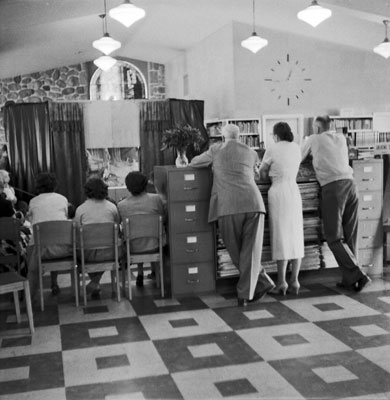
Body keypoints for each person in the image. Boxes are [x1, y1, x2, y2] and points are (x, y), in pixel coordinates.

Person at [190, 123, 275, 307]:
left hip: (228, 206)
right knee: (251, 250)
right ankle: (260, 282)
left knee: (235, 250)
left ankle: (245, 293)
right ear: (240, 135)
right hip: (253, 203)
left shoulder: (216, 150)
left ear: (222, 134)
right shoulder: (251, 152)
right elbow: (258, 175)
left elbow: (195, 162)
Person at [301, 115, 371, 291]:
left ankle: (358, 274)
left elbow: (298, 158)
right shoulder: (341, 138)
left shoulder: (313, 139)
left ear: (316, 128)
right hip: (351, 184)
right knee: (351, 235)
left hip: (333, 188)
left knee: (333, 237)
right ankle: (350, 279)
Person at [259, 122, 304, 295]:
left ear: (276, 135)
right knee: (296, 234)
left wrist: (264, 174)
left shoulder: (273, 148)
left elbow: (262, 173)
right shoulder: (296, 147)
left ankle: (282, 282)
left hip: (278, 192)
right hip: (294, 192)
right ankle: (295, 281)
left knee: (281, 236)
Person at [117, 171, 166, 287]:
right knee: (149, 234)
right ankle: (156, 273)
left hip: (132, 247)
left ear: (128, 187)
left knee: (134, 236)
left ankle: (140, 273)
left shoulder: (122, 205)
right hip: (155, 244)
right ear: (145, 184)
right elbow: (162, 217)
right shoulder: (156, 199)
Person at [74, 177, 120, 297]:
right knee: (113, 246)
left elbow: (77, 234)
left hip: (87, 254)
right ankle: (96, 282)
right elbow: (117, 228)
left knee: (83, 249)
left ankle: (95, 282)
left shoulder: (80, 210)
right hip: (110, 252)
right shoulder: (112, 207)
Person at [26, 172, 69, 298]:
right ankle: (54, 283)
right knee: (53, 238)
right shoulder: (63, 199)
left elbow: (33, 223)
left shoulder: (33, 201)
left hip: (40, 251)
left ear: (38, 186)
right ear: (54, 185)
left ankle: (31, 296)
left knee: (33, 248)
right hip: (62, 249)